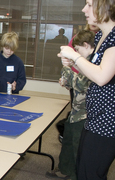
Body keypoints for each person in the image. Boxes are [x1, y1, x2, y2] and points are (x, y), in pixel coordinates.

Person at [58, 0, 115, 179]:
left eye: (88, 5)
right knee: (84, 169)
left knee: (90, 174)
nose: (83, 9)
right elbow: (96, 69)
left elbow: (102, 77)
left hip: (112, 120)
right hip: (97, 116)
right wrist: (75, 62)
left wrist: (76, 57)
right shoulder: (103, 35)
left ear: (105, 6)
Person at [47, 30, 95, 180]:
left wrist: (67, 68)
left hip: (85, 115)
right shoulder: (86, 61)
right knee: (68, 139)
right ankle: (64, 168)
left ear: (86, 45)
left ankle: (75, 175)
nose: (77, 53)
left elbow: (81, 84)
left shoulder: (94, 62)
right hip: (76, 111)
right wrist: (69, 69)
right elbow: (74, 82)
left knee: (77, 146)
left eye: (78, 50)